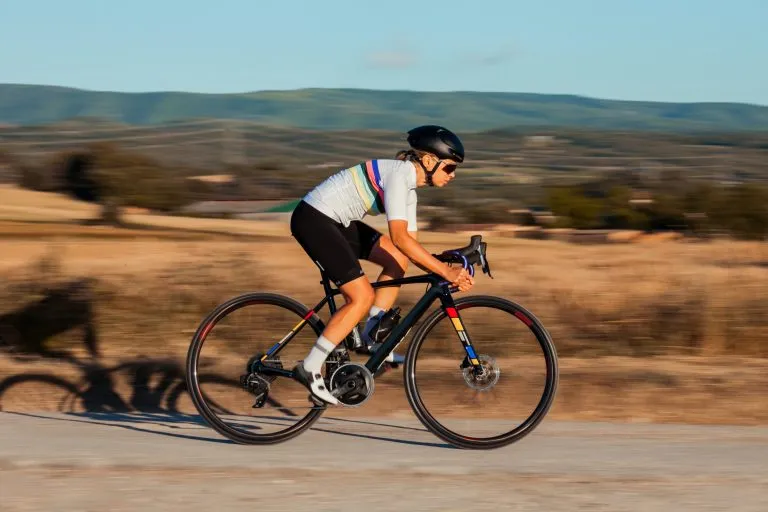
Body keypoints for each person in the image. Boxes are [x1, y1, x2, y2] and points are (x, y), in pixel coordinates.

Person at [290, 125, 475, 405]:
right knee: (360, 297)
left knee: (397, 259)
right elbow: (401, 238)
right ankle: (310, 366)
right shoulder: (400, 176)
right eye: (449, 168)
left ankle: (370, 336)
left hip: (336, 222)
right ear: (428, 161)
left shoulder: (410, 189)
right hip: (314, 219)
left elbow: (409, 248)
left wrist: (446, 262)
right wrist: (443, 271)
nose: (453, 176)